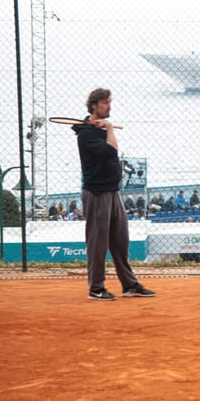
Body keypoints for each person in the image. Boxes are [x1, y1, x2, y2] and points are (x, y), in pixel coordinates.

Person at [73, 88, 156, 301]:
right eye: (105, 103)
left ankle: (129, 285)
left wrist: (106, 128)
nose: (109, 106)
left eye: (109, 102)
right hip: (96, 193)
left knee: (120, 241)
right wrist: (109, 128)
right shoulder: (86, 134)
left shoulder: (98, 130)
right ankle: (96, 288)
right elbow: (111, 151)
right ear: (94, 106)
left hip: (112, 192)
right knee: (98, 243)